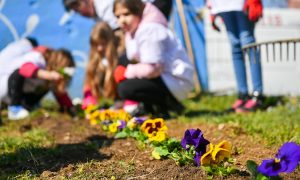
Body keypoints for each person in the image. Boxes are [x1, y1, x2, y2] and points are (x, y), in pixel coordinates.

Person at [113, 0, 195, 118]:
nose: (122, 20)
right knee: (124, 62)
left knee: (125, 88)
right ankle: (151, 107)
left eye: (126, 14)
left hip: (176, 80)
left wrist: (126, 72)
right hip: (164, 77)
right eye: (117, 16)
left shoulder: (150, 29)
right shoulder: (133, 30)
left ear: (138, 12)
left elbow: (153, 69)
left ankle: (167, 104)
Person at [208, 0, 264, 113]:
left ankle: (257, 94)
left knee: (248, 43)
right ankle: (243, 94)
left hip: (241, 3)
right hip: (223, 5)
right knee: (235, 46)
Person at [0, 38, 76, 120]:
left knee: (48, 85)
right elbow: (24, 69)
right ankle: (14, 109)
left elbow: (60, 93)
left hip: (18, 96)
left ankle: (25, 107)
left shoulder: (51, 76)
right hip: (6, 88)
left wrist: (72, 109)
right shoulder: (38, 58)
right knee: (18, 73)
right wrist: (49, 75)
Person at [82, 22, 119, 109]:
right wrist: (89, 100)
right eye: (96, 44)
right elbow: (89, 82)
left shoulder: (119, 57)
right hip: (100, 103)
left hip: (118, 101)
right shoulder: (94, 60)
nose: (99, 48)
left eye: (103, 44)